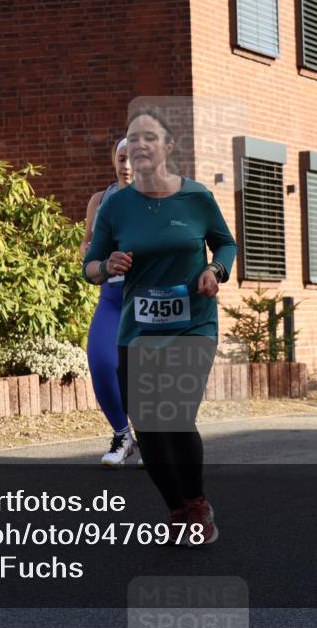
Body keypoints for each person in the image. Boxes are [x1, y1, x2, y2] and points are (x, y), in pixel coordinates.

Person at [83, 108, 237, 544]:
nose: (140, 145)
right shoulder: (116, 206)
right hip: (139, 329)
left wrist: (216, 271)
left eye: (150, 137)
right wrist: (105, 264)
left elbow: (225, 243)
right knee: (148, 427)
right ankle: (177, 507)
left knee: (174, 415)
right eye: (133, 139)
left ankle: (197, 504)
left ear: (169, 146)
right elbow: (90, 265)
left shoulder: (197, 198)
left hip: (193, 325)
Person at [80, 138, 138, 466]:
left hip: (146, 297)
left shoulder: (156, 199)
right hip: (112, 295)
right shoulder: (100, 200)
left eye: (133, 159)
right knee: (102, 362)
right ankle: (122, 434)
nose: (126, 165)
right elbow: (88, 242)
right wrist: (89, 255)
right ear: (113, 160)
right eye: (121, 157)